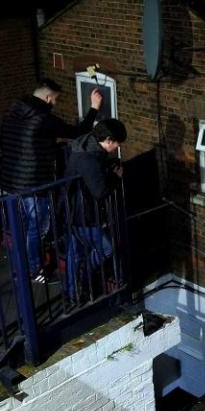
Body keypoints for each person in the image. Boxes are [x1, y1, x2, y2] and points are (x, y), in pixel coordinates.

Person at [0, 78, 101, 282]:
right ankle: (34, 270)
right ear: (47, 97)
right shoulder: (42, 118)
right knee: (37, 229)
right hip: (34, 183)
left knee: (22, 228)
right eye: (54, 100)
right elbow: (78, 132)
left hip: (10, 181)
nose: (54, 104)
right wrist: (94, 108)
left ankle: (22, 267)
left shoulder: (14, 110)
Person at [63, 118, 126, 303]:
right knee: (106, 248)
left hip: (74, 210)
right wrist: (116, 178)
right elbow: (99, 191)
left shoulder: (87, 144)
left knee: (74, 253)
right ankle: (82, 277)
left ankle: (72, 290)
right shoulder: (89, 158)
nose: (116, 147)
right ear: (107, 140)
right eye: (116, 144)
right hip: (85, 214)